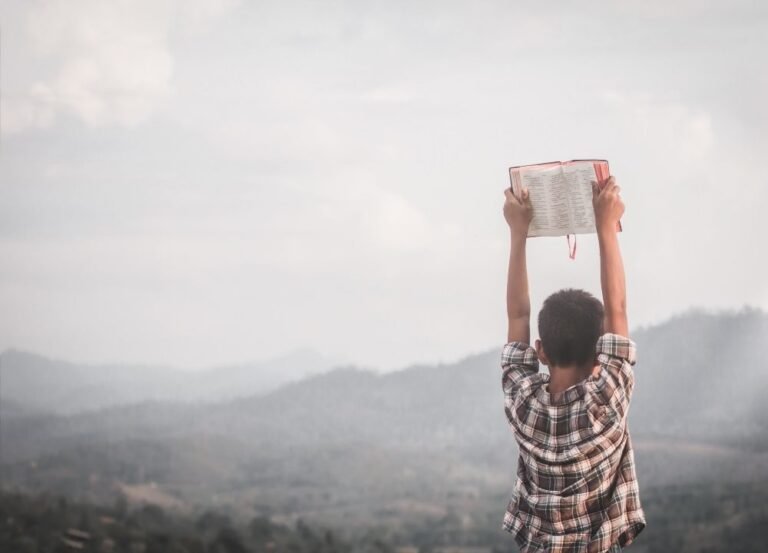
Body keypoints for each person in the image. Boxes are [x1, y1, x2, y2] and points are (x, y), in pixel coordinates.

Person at [500, 176, 646, 552]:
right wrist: (606, 226)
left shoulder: (524, 405)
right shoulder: (605, 405)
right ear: (600, 354)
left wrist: (518, 232)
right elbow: (618, 309)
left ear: (541, 351)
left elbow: (518, 315)